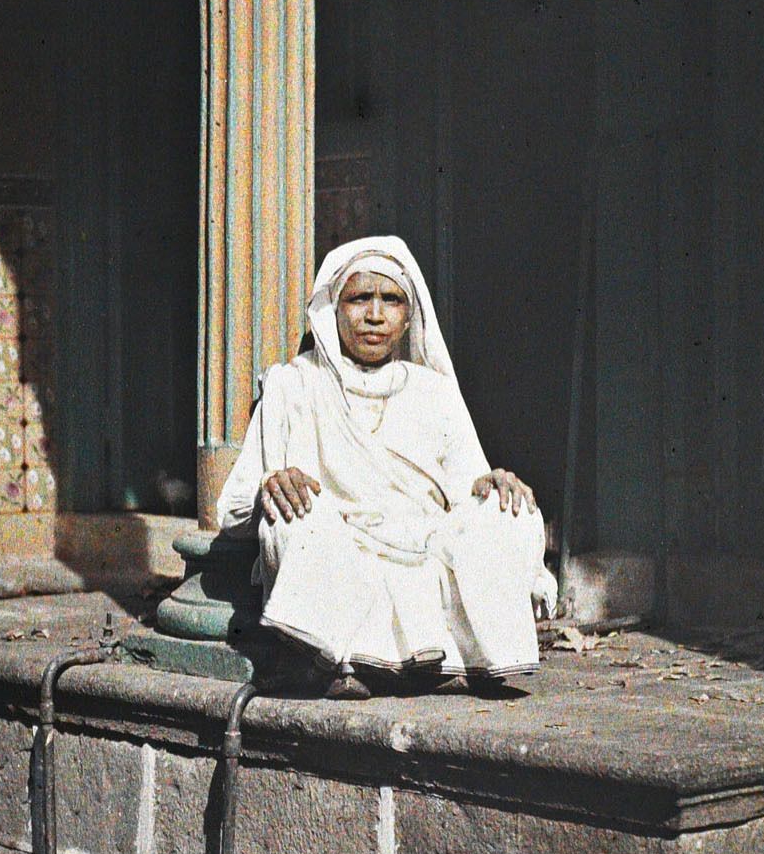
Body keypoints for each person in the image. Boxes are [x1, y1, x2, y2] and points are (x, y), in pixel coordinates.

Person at [216, 235, 556, 699]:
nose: (375, 315)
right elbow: (232, 511)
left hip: (423, 548)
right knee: (296, 513)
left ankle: (465, 658)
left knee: (508, 509)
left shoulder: (434, 391)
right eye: (359, 298)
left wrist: (495, 484)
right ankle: (333, 661)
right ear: (333, 308)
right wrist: (270, 486)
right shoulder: (293, 384)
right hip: (340, 550)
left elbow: (469, 491)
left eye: (391, 300)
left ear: (408, 315)